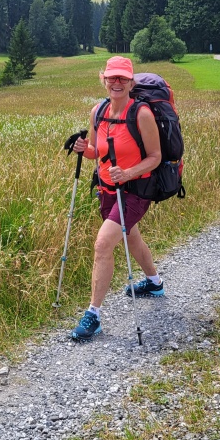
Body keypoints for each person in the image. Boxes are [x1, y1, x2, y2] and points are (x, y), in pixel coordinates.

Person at [69, 56, 165, 340]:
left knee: (103, 244)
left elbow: (156, 158)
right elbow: (98, 152)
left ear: (131, 82)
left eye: (122, 78)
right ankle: (154, 283)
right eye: (111, 77)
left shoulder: (142, 114)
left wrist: (129, 172)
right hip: (108, 190)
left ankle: (93, 315)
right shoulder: (98, 111)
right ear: (103, 79)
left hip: (136, 191)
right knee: (131, 236)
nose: (116, 82)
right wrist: (83, 149)